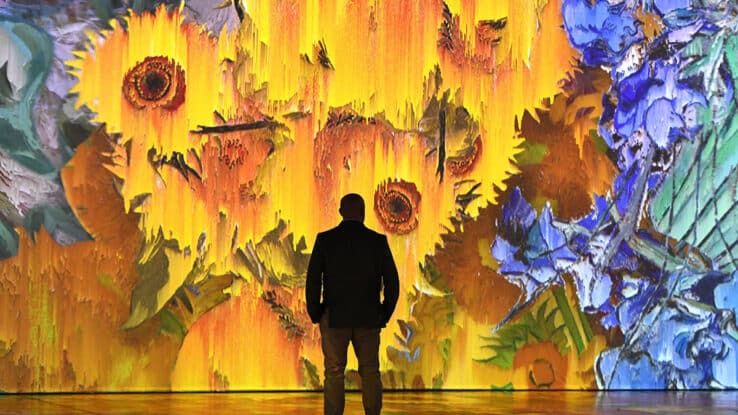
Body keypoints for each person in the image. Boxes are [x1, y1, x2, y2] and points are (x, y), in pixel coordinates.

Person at [306, 193, 400, 415]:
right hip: (368, 318)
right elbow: (392, 282)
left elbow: (313, 280)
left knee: (334, 372)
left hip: (334, 316)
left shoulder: (325, 240)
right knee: (370, 371)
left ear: (340, 212)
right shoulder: (377, 242)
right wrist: (384, 313)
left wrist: (316, 312)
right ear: (363, 212)